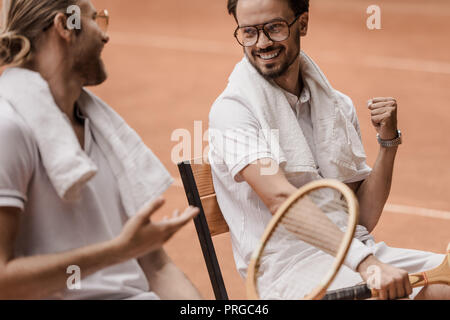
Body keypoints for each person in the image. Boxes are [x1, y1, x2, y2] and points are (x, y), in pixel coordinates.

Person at [208, 0, 449, 300]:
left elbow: (359, 219)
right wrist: (368, 265)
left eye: (274, 28)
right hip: (288, 272)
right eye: (249, 32)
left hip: (354, 254)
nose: (262, 43)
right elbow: (282, 199)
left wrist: (388, 143)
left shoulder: (335, 105)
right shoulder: (233, 111)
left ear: (303, 23)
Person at [0, 0, 201, 300]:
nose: (105, 36)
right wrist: (116, 252)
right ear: (65, 26)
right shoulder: (9, 129)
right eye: (96, 19)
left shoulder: (104, 130)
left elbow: (157, 267)